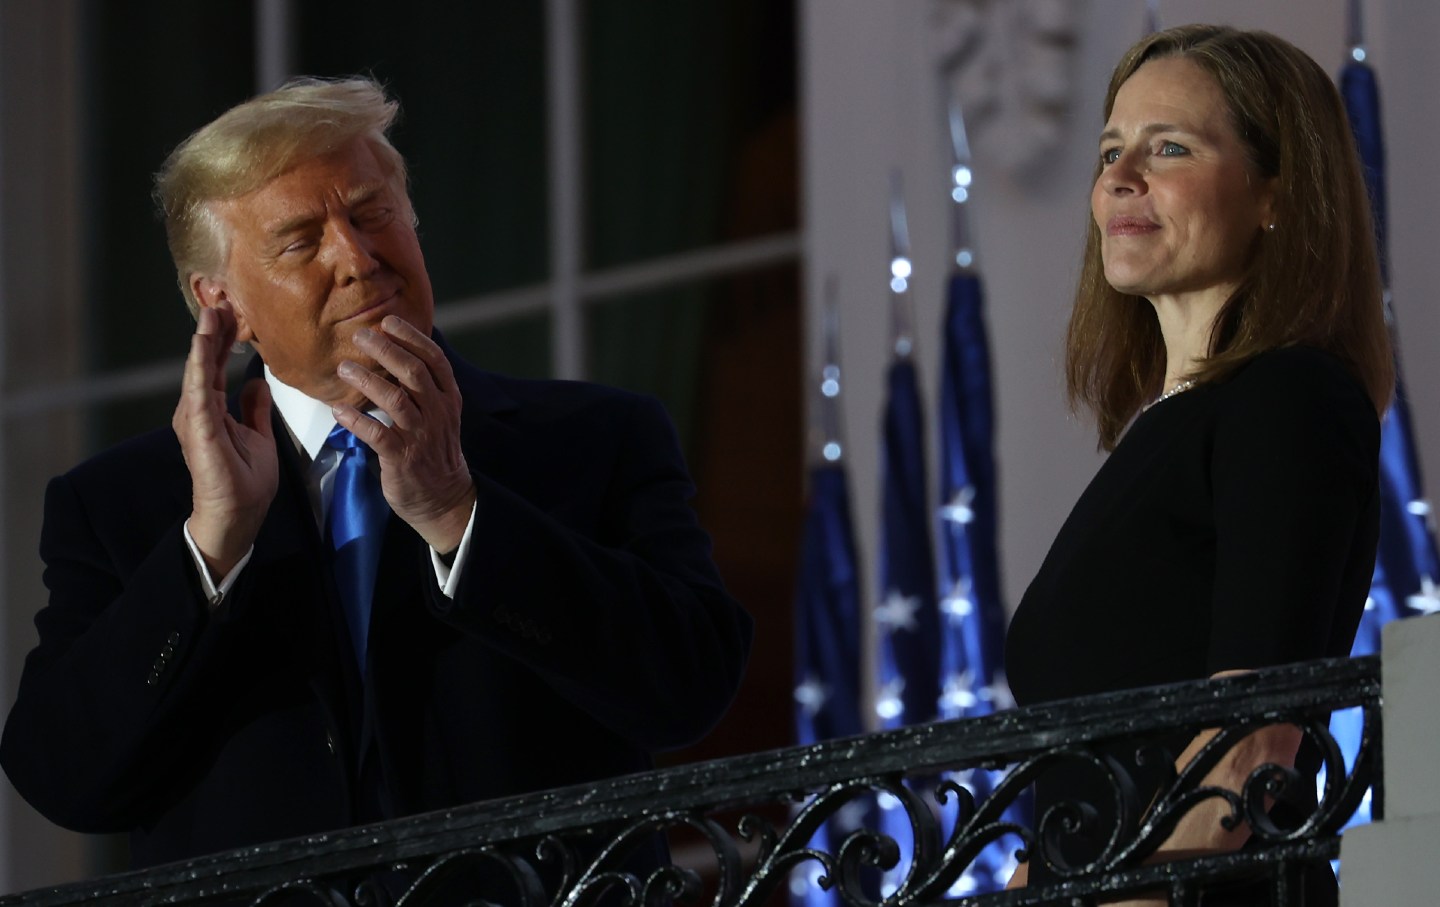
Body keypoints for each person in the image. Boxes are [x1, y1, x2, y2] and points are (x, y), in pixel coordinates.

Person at [0, 77, 752, 885]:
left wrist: (459, 514)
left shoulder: (599, 438)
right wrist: (210, 549)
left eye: (372, 214)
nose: (358, 259)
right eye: (298, 240)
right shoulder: (119, 503)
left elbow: (691, 687)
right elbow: (64, 776)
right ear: (221, 301)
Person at [1002, 25, 1392, 906]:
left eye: (1168, 147)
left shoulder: (1289, 397)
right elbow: (1081, 805)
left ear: (1275, 196)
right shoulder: (1162, 432)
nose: (1119, 178)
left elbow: (1248, 755)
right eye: (1111, 150)